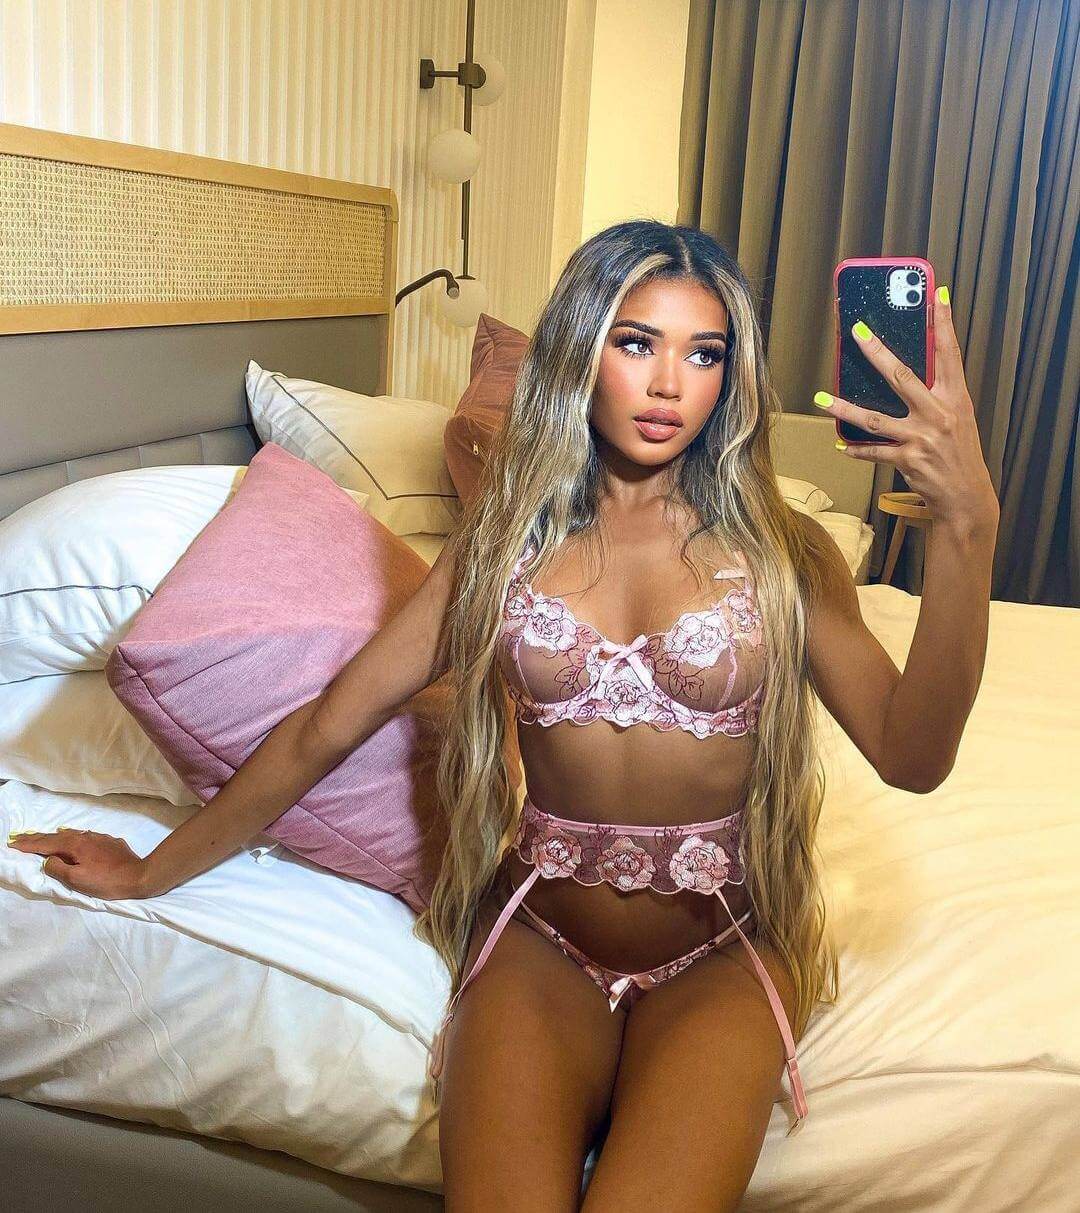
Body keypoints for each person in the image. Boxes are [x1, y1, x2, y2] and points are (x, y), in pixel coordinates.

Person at [9, 221, 1000, 1211]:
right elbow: (327, 726)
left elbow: (912, 756)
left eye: (704, 354)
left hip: (721, 955)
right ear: (581, 350)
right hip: (541, 943)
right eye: (636, 342)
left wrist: (969, 527)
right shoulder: (500, 544)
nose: (669, 384)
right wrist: (152, 870)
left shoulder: (784, 554)